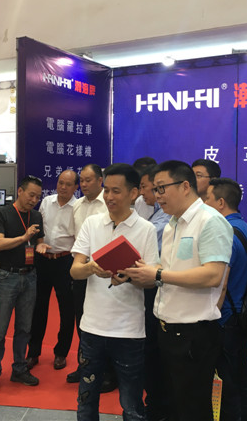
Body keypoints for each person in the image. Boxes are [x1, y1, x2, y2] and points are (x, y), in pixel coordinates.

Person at [125, 160, 232, 421]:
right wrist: (143, 272)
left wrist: (158, 274)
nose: (157, 195)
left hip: (194, 333)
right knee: (171, 402)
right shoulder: (172, 224)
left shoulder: (210, 221)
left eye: (162, 188)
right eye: (155, 189)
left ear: (185, 186)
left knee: (192, 407)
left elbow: (213, 275)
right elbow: (170, 269)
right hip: (167, 328)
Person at [71, 163, 159, 421]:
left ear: (133, 193)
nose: (109, 197)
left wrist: (130, 277)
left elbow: (152, 281)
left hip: (129, 330)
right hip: (92, 327)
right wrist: (90, 268)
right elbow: (75, 271)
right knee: (86, 398)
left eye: (116, 191)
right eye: (107, 190)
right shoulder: (92, 223)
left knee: (131, 403)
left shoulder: (146, 229)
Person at [0, 175, 45, 394]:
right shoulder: (2, 214)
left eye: (37, 197)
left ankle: (19, 368)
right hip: (6, 275)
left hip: (30, 276)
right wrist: (23, 237)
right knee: (0, 329)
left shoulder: (36, 215)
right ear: (20, 191)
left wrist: (41, 246)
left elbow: (39, 240)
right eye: (31, 195)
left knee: (24, 328)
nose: (34, 200)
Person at [205, 178, 247, 421]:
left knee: (227, 386)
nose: (204, 204)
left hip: (225, 319)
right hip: (242, 315)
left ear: (221, 202)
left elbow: (221, 283)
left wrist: (209, 317)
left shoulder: (225, 232)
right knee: (241, 379)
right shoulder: (245, 228)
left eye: (208, 199)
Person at [27, 170, 78, 371]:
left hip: (65, 261)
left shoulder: (78, 207)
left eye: (68, 184)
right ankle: (33, 352)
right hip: (43, 259)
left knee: (67, 309)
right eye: (60, 182)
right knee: (38, 307)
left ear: (75, 187)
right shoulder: (47, 202)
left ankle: (61, 353)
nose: (63, 187)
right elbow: (39, 228)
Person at [67, 163, 107, 384]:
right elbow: (76, 239)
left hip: (104, 271)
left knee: (102, 320)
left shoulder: (108, 204)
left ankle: (106, 370)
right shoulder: (77, 205)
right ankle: (85, 365)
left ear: (100, 181)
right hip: (82, 269)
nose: (83, 184)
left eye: (88, 180)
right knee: (81, 319)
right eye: (81, 180)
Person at [137, 164, 171, 421]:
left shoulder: (164, 221)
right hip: (156, 289)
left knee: (155, 350)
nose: (155, 195)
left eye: (160, 189)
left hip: (162, 289)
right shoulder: (156, 214)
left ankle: (158, 405)